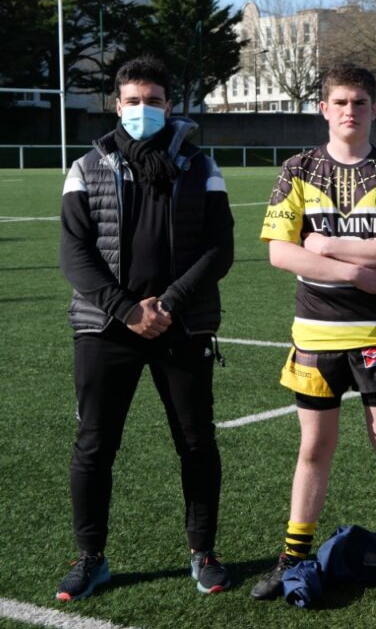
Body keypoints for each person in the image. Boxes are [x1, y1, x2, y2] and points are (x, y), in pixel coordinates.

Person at [252, 63, 376, 600]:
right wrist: (355, 272)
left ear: (375, 108)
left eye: (359, 102)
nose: (350, 110)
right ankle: (292, 556)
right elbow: (280, 252)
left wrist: (328, 245)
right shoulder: (297, 168)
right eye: (340, 101)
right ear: (323, 109)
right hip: (316, 334)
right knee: (314, 447)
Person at [57, 55, 234, 600]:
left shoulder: (200, 167)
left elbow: (219, 249)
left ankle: (203, 552)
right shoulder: (86, 167)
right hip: (105, 328)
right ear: (117, 106)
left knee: (196, 442)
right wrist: (127, 310)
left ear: (170, 105)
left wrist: (169, 305)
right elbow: (74, 255)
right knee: (94, 445)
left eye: (153, 101)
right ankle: (90, 557)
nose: (142, 109)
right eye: (133, 101)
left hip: (182, 325)